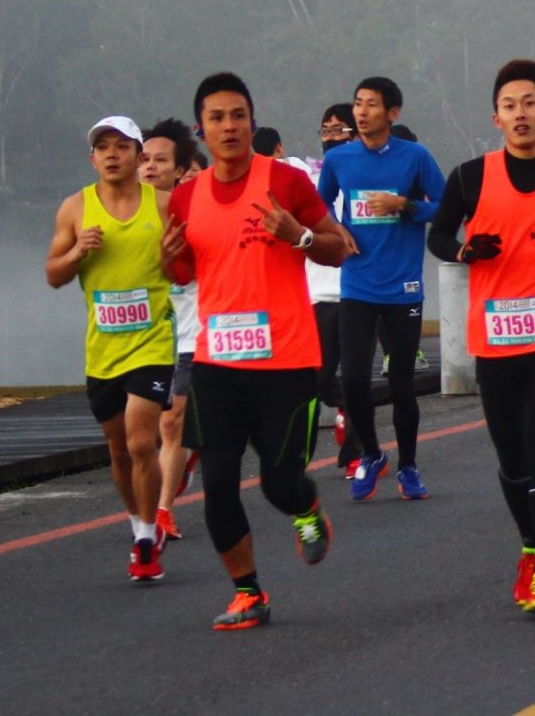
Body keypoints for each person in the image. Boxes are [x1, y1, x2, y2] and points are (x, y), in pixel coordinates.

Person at [162, 72, 350, 631]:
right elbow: (183, 273)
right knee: (218, 484)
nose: (229, 126)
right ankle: (248, 593)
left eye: (238, 115)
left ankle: (306, 507)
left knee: (277, 482)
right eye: (217, 118)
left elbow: (341, 249)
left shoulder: (287, 182)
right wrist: (166, 257)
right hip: (216, 362)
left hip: (287, 362)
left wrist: (301, 237)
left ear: (251, 120)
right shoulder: (185, 196)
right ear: (201, 128)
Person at [426, 59, 535, 617]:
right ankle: (531, 545)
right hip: (493, 337)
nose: (520, 114)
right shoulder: (469, 177)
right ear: (496, 117)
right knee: (510, 459)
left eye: (530, 104)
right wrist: (461, 253)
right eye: (509, 105)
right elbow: (436, 235)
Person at [46, 116, 177, 582]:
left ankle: (146, 543)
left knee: (143, 439)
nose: (112, 154)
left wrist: (170, 255)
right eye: (103, 147)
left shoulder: (164, 205)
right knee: (119, 450)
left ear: (140, 156)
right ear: (92, 158)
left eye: (122, 146)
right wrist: (77, 251)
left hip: (153, 342)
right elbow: (53, 275)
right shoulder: (75, 209)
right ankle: (141, 524)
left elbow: (187, 269)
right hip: (103, 350)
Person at [316, 77, 445, 503]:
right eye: (358, 103)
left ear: (392, 113)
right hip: (357, 283)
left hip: (404, 288)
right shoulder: (340, 159)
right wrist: (336, 230)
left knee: (402, 384)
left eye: (372, 104)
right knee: (353, 378)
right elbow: (317, 207)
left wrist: (404, 206)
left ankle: (408, 465)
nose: (362, 111)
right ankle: (371, 454)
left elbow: (446, 208)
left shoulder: (415, 157)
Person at [137, 117, 201, 542]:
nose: (149, 167)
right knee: (140, 437)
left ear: (180, 169)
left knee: (172, 422)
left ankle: (162, 512)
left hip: (193, 333)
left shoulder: (196, 210)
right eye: (143, 158)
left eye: (161, 160)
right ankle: (177, 466)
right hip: (144, 339)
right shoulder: (120, 213)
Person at [304, 104, 357, 473]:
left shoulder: (363, 175)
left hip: (358, 291)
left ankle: (357, 454)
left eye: (340, 130)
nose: (331, 137)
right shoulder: (308, 182)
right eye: (326, 130)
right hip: (319, 294)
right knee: (320, 377)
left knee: (354, 375)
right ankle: (347, 411)